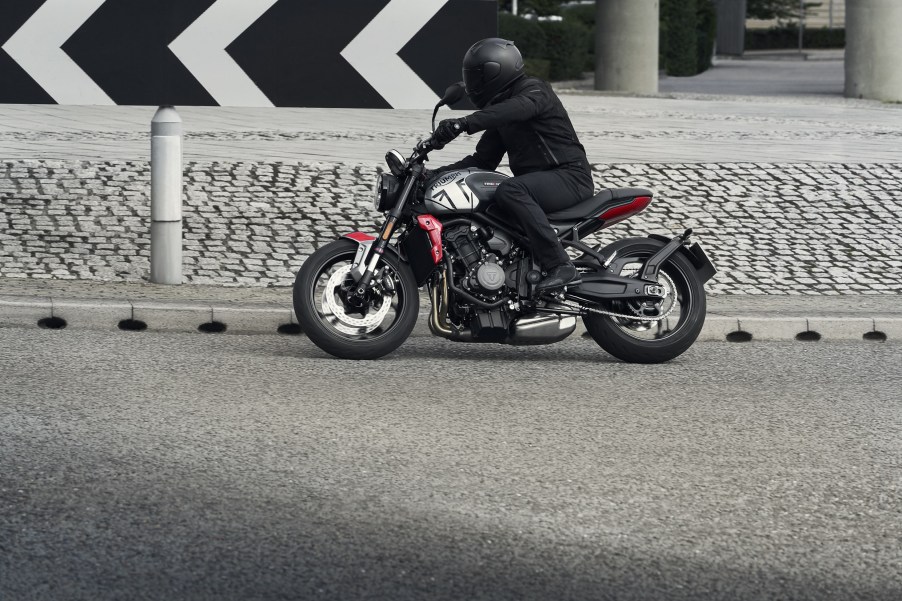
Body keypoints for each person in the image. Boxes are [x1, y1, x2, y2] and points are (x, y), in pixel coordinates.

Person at [431, 37, 594, 292]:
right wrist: (433, 175)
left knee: (510, 190)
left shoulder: (535, 91)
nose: (473, 83)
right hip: (541, 183)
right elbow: (481, 161)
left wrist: (463, 123)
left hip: (569, 177)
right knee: (489, 205)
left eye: (478, 76)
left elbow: (518, 108)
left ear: (497, 71)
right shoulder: (502, 110)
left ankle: (561, 265)